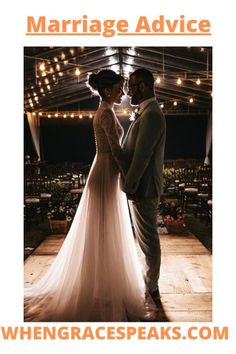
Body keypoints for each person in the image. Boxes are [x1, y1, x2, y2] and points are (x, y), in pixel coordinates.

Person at [24, 69, 146, 322]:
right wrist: (131, 177)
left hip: (104, 172)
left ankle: (102, 282)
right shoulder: (105, 113)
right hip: (104, 174)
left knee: (104, 230)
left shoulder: (106, 111)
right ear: (108, 90)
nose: (123, 92)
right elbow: (114, 149)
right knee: (103, 230)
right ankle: (99, 286)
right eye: (120, 87)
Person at [122, 68, 166, 305]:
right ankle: (149, 284)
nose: (129, 90)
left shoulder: (151, 115)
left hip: (143, 188)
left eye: (132, 85)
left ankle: (152, 288)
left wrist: (131, 188)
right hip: (140, 187)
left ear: (145, 86)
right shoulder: (146, 112)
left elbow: (142, 157)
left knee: (149, 242)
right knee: (144, 240)